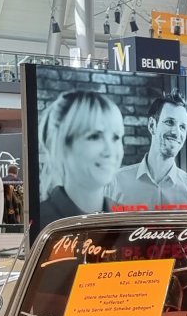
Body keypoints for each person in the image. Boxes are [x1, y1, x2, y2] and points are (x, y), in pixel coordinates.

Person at [37, 91, 125, 227]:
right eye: (94, 136)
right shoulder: (42, 223)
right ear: (62, 145)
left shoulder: (126, 217)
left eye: (116, 137)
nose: (110, 151)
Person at [111, 91, 187, 209]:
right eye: (170, 122)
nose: (176, 132)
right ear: (152, 125)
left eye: (182, 127)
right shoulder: (116, 182)